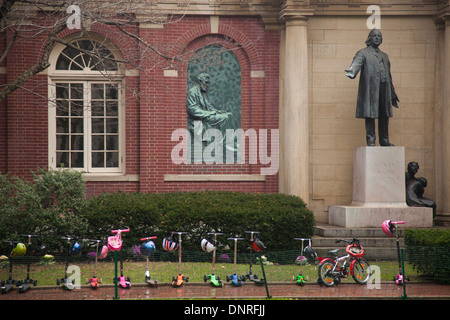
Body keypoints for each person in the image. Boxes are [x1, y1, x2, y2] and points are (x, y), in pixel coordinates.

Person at [345, 29, 399, 146]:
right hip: (372, 88)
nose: (377, 38)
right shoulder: (363, 53)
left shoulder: (385, 56)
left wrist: (392, 93)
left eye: (379, 36)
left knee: (384, 113)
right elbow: (356, 63)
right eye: (374, 36)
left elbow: (389, 76)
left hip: (384, 87)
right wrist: (351, 71)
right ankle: (371, 139)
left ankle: (384, 139)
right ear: (369, 38)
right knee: (371, 113)